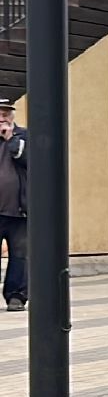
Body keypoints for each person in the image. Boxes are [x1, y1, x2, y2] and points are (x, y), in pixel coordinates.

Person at [0, 101, 27, 311]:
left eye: (6, 113)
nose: (2, 117)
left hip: (20, 210)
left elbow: (29, 160)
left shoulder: (24, 136)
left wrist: (10, 139)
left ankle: (16, 296)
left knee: (20, 255)